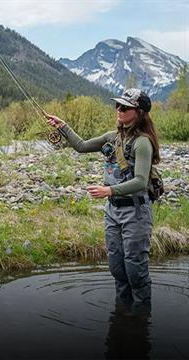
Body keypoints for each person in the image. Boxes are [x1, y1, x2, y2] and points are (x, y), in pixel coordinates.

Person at [45, 88, 159, 309]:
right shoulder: (111, 137)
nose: (119, 109)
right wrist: (63, 126)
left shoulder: (142, 142)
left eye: (124, 107)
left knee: (135, 270)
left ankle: (141, 324)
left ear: (139, 113)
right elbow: (81, 146)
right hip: (113, 211)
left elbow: (141, 181)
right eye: (117, 105)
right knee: (117, 268)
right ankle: (122, 319)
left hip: (136, 213)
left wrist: (109, 191)